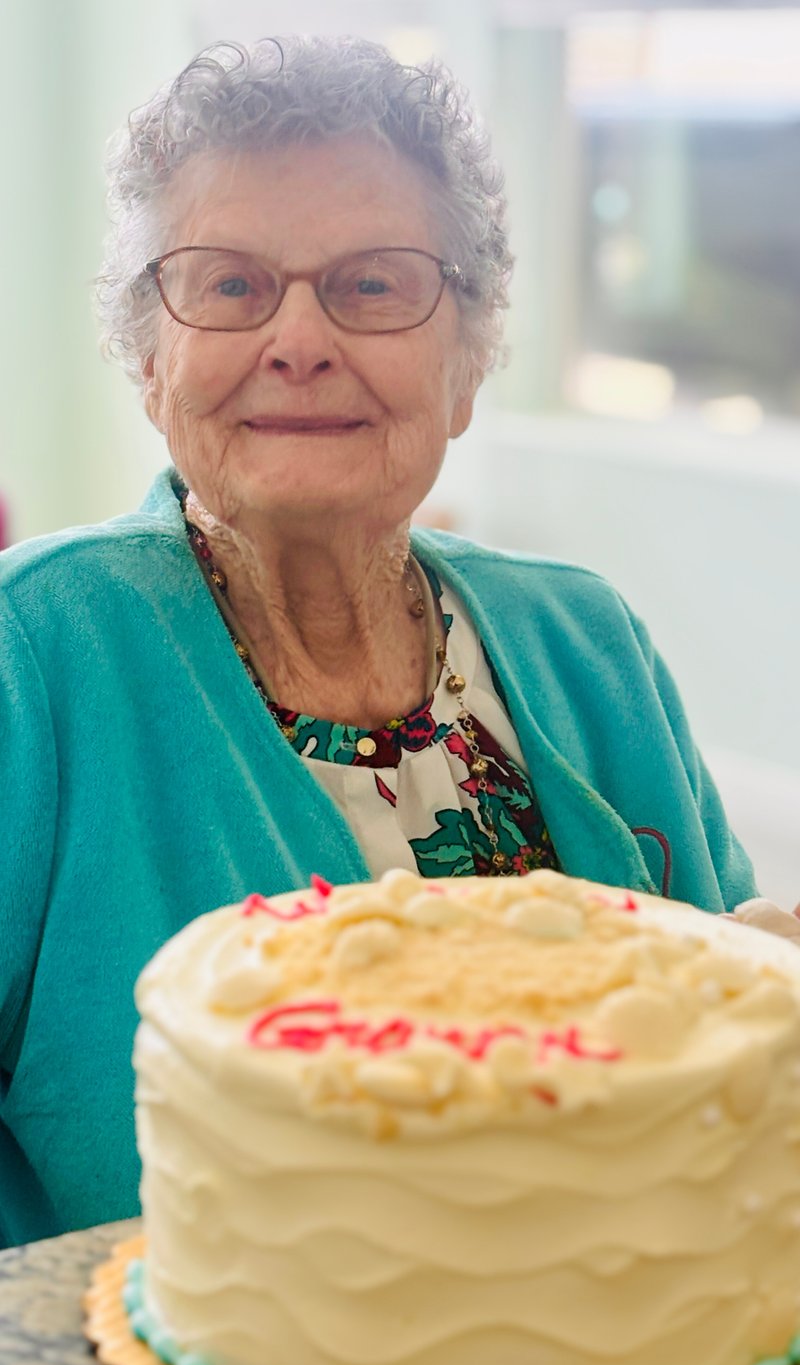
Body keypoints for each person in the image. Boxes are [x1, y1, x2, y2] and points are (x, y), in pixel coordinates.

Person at [0, 35, 757, 1249]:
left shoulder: (587, 640)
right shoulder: (30, 655)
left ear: (465, 365)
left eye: (371, 285)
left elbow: (739, 1048)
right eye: (232, 285)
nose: (298, 339)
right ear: (149, 360)